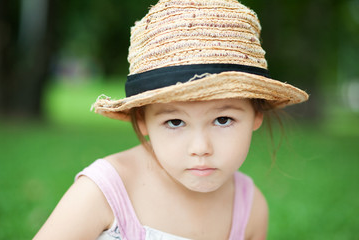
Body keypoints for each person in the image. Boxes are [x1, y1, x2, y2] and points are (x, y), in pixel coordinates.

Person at [34, 0, 308, 239]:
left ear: (256, 115)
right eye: (175, 122)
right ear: (142, 120)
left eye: (223, 119)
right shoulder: (103, 192)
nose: (201, 147)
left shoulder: (249, 208)